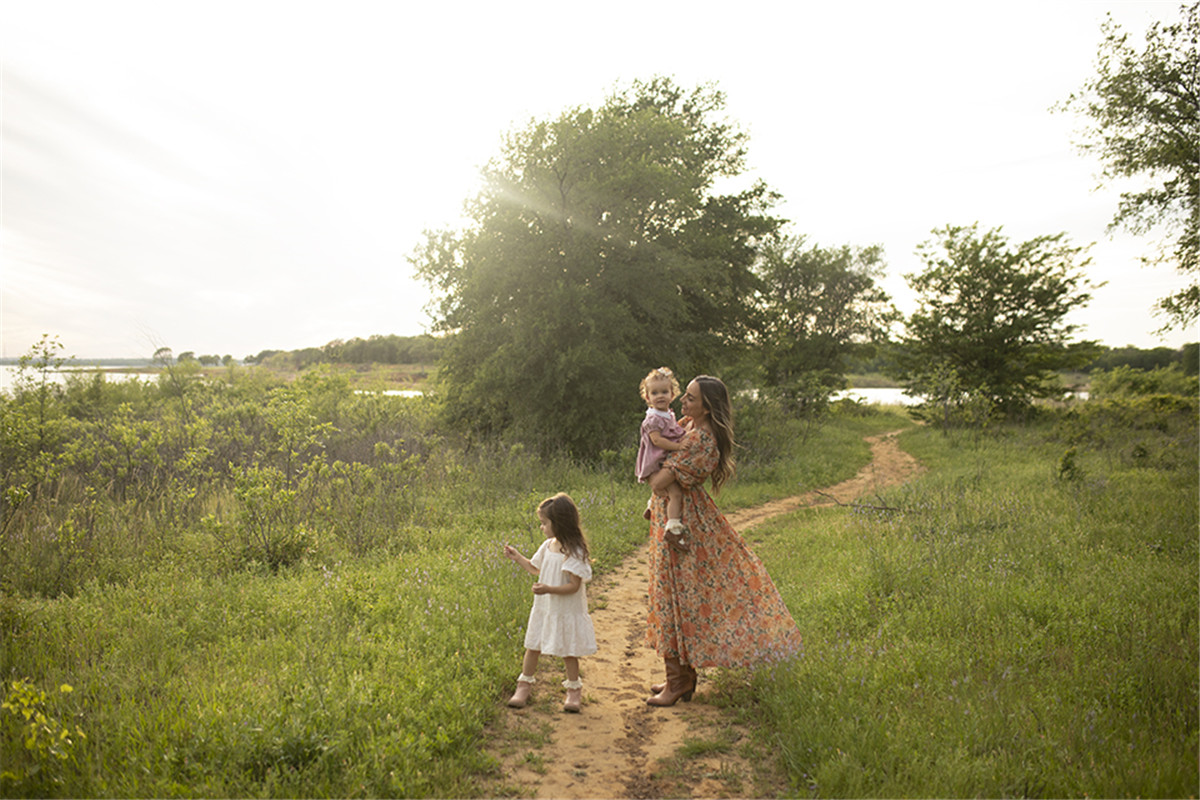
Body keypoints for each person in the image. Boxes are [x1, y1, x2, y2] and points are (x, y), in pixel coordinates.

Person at [644, 375, 803, 707]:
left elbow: (658, 482)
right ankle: (681, 678)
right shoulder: (686, 425)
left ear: (707, 407)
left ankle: (678, 682)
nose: (682, 401)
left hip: (685, 524)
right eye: (685, 396)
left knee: (676, 595)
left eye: (690, 398)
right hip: (673, 518)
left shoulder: (702, 439)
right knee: (671, 593)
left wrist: (654, 465)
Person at [503, 492, 597, 713]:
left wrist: (548, 589)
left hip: (565, 609)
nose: (541, 527)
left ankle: (573, 689)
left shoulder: (573, 551)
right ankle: (524, 685)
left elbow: (574, 586)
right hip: (545, 609)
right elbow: (535, 568)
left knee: (568, 650)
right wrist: (518, 557)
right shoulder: (547, 546)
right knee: (533, 646)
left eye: (544, 523)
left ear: (559, 523)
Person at [634, 367, 687, 547]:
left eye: (664, 392)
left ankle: (651, 505)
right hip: (654, 462)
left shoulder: (667, 414)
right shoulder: (653, 419)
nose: (660, 396)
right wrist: (678, 446)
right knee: (675, 494)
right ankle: (673, 529)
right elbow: (657, 440)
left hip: (660, 460)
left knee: (666, 488)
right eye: (655, 393)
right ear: (647, 397)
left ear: (672, 394)